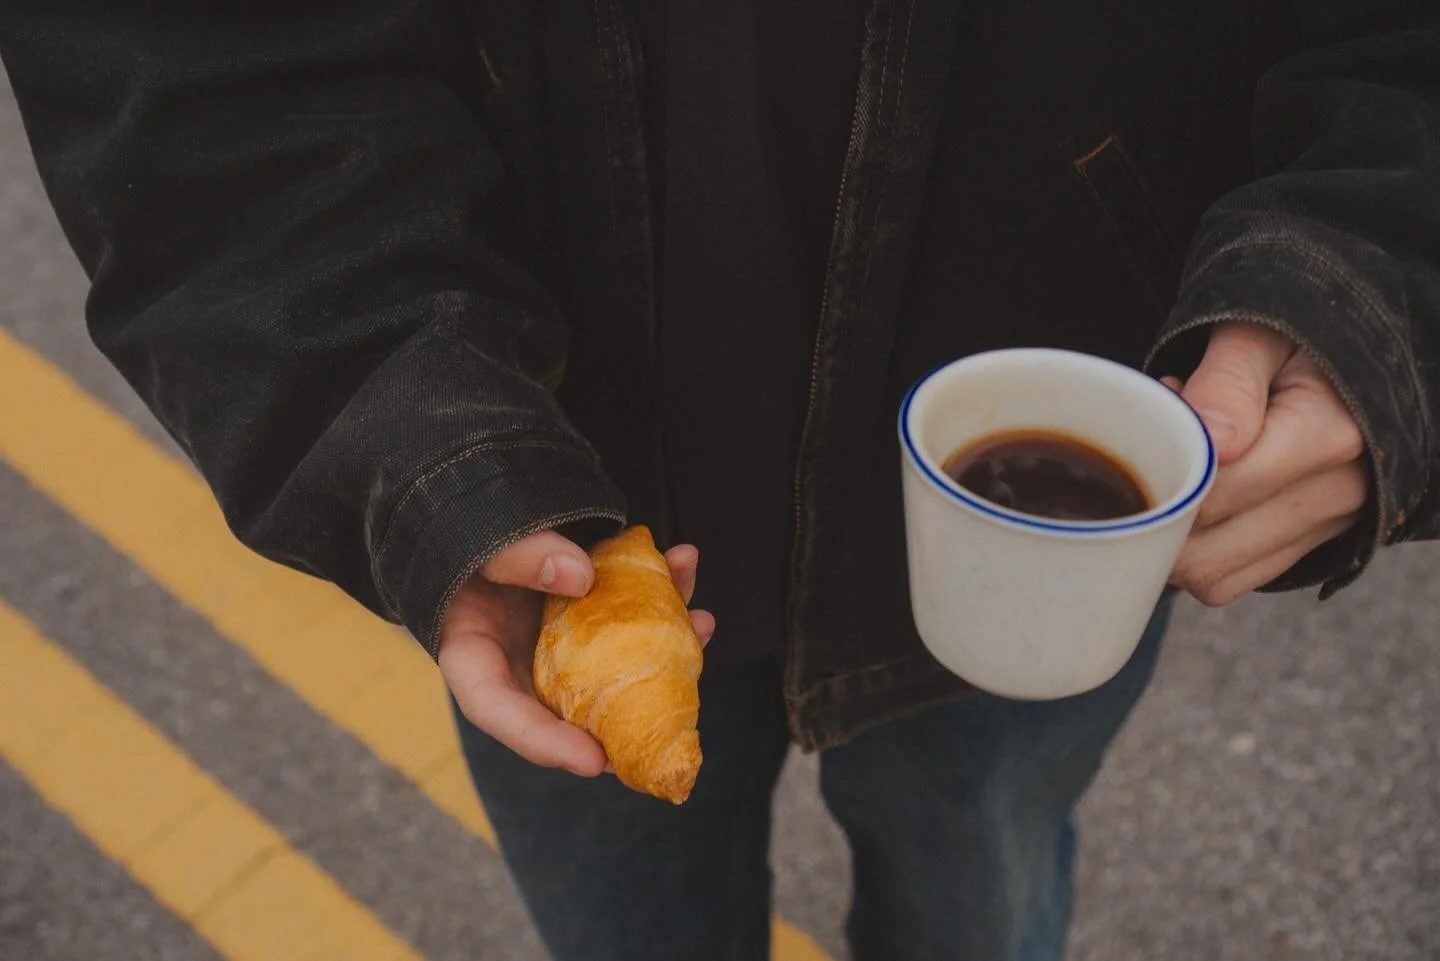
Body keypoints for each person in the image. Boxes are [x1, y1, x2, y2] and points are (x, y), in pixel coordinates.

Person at [3, 2, 1437, 959]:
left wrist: (1374, 280)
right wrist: (413, 430)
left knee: (977, 889)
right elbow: (194, 70)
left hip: (1057, 508)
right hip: (560, 509)